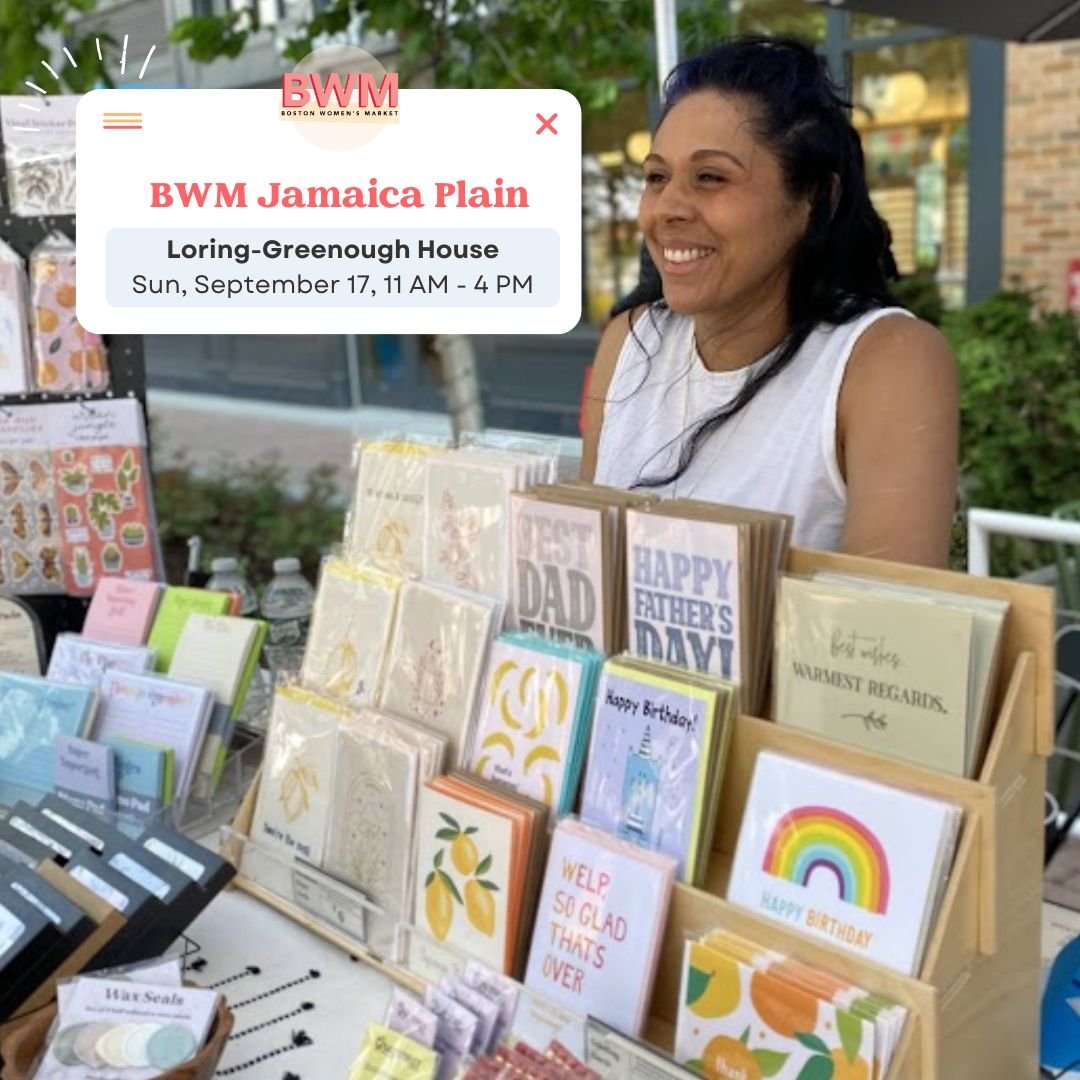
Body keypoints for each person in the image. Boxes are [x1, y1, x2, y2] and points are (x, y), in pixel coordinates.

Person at [581, 36, 958, 568]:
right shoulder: (630, 341)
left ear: (813, 201)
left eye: (710, 177)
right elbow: (584, 575)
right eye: (657, 177)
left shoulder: (884, 362)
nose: (666, 208)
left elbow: (886, 633)